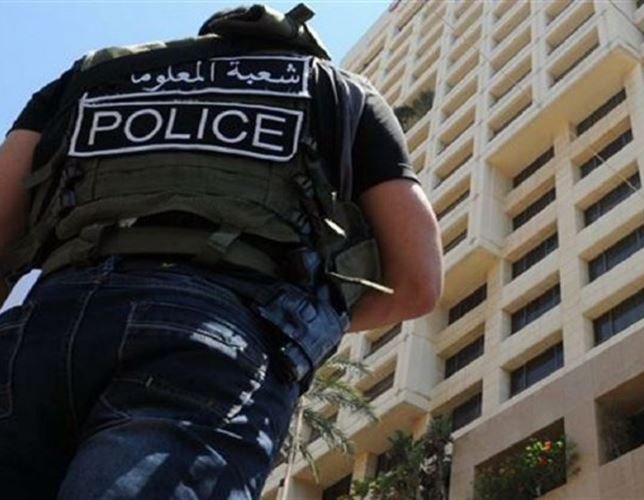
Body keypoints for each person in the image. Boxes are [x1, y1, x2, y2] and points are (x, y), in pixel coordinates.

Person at [0, 4, 442, 499]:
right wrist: (292, 323)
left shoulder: (92, 73)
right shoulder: (338, 89)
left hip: (41, 325)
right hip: (218, 335)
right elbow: (418, 282)